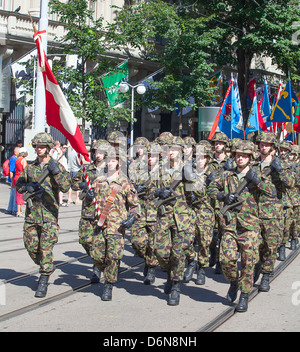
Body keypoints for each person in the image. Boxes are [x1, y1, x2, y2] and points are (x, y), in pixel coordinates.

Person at [208, 140, 275, 312]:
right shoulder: (226, 175)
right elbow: (211, 189)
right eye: (238, 155)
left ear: (250, 158)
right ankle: (233, 281)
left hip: (250, 226)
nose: (240, 158)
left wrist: (258, 181)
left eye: (244, 156)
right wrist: (223, 196)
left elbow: (271, 192)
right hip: (230, 225)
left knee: (248, 263)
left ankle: (244, 295)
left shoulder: (257, 176)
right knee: (226, 259)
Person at [16, 132, 71, 298]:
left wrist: (56, 173)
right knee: (31, 246)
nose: (39, 149)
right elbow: (19, 184)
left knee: (45, 247)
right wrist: (26, 188)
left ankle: (44, 277)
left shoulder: (56, 167)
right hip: (32, 214)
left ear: (48, 148)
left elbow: (65, 187)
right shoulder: (30, 167)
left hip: (49, 216)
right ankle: (46, 266)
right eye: (37, 146)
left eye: (42, 146)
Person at [89, 148, 140, 301]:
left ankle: (108, 285)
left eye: (113, 160)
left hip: (116, 226)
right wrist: (87, 196)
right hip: (99, 225)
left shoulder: (124, 183)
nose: (110, 163)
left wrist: (132, 218)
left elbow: (135, 205)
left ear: (118, 162)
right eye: (108, 160)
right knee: (97, 255)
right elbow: (90, 202)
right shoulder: (99, 180)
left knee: (113, 256)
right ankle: (104, 272)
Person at [153, 135, 195, 306]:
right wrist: (158, 193)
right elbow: (148, 191)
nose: (171, 152)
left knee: (177, 254)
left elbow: (200, 194)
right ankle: (170, 273)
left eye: (175, 149)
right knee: (160, 252)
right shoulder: (159, 169)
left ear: (181, 151)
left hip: (182, 219)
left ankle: (176, 286)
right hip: (164, 217)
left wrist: (190, 179)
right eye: (168, 148)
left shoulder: (188, 170)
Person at [254, 132, 295, 292]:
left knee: (271, 247)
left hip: (273, 213)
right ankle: (257, 264)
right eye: (261, 144)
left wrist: (281, 170)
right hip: (254, 212)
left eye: (266, 144)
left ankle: (266, 274)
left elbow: (291, 183)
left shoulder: (281, 165)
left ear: (273, 147)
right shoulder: (254, 163)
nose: (263, 146)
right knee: (256, 245)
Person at [71, 139, 110, 282]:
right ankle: (98, 262)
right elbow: (73, 184)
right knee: (85, 240)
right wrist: (82, 185)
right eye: (95, 152)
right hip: (88, 210)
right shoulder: (86, 170)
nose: (97, 155)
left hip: (105, 212)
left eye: (100, 152)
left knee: (102, 242)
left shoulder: (111, 170)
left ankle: (98, 267)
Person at [14, 147, 28, 217]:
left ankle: (19, 210)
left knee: (18, 194)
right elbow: (25, 171)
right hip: (21, 178)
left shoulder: (17, 159)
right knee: (20, 195)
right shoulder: (23, 160)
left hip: (16, 178)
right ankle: (19, 211)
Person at [6, 146, 20, 215]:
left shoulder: (14, 158)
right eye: (19, 151)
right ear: (15, 152)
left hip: (13, 179)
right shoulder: (13, 159)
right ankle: (14, 209)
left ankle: (10, 209)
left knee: (12, 195)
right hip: (13, 179)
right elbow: (11, 171)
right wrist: (12, 182)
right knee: (15, 194)